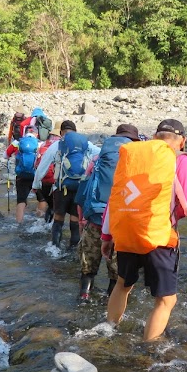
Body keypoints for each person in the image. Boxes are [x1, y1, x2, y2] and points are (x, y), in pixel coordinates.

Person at [101, 119, 187, 341]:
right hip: (160, 237)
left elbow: (115, 198)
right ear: (183, 141)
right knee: (166, 300)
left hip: (128, 232)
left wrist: (107, 235)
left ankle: (107, 331)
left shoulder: (134, 156)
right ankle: (148, 348)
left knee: (122, 284)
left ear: (156, 137)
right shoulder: (181, 161)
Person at [76, 124, 141, 302]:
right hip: (121, 224)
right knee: (116, 272)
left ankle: (84, 296)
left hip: (95, 219)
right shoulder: (137, 162)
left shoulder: (97, 159)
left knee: (88, 267)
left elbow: (82, 192)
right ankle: (109, 303)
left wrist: (82, 220)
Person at [33, 120, 99, 248]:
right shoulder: (86, 144)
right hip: (80, 187)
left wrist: (36, 185)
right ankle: (73, 251)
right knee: (75, 219)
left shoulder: (57, 144)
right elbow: (101, 153)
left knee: (59, 218)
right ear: (75, 131)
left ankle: (55, 249)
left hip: (61, 188)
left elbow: (42, 166)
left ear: (61, 132)